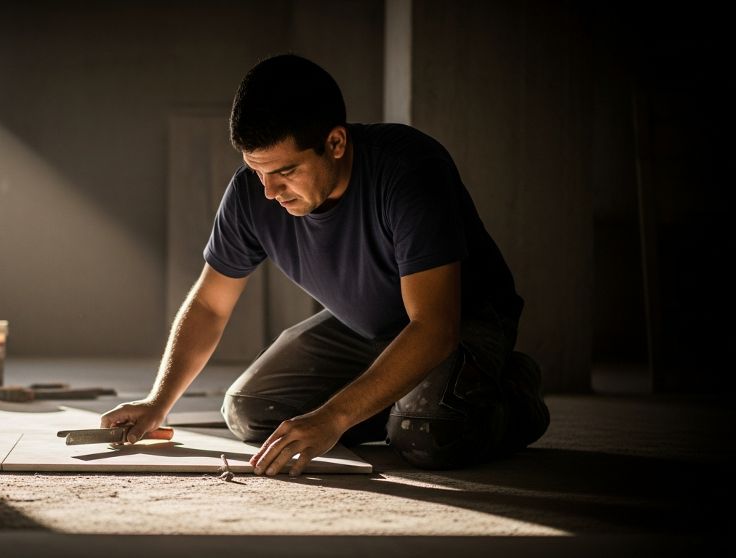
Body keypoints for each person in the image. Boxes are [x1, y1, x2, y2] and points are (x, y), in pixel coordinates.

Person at [101, 53, 549, 476]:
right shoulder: (250, 196)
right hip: (365, 327)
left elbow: (433, 325)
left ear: (335, 142)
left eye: (285, 171)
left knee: (426, 434)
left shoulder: (409, 171)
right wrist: (159, 402)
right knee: (250, 411)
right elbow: (210, 307)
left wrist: (333, 416)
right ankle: (400, 403)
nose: (270, 191)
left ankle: (509, 390)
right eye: (257, 170)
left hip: (458, 322)